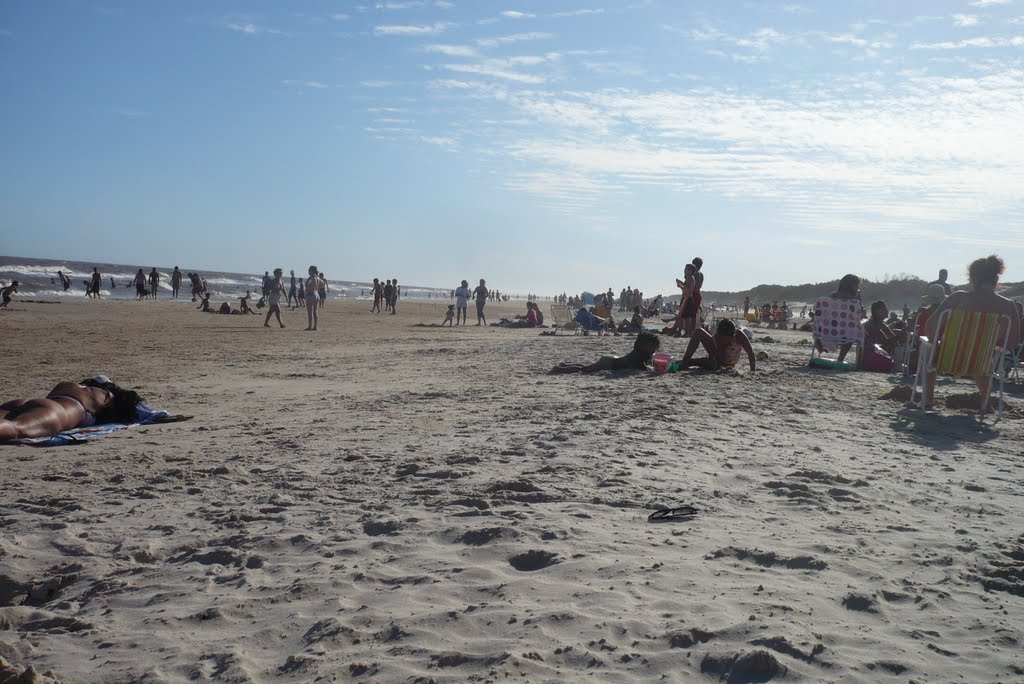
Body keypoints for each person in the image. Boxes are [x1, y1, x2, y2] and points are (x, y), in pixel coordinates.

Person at [920, 255, 1021, 411]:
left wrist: (938, 341)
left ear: (973, 278)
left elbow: (929, 329)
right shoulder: (1008, 305)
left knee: (929, 348)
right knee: (983, 355)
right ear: (995, 278)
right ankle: (986, 404)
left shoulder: (958, 298)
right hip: (982, 362)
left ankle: (928, 401)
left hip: (948, 359)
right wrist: (990, 344)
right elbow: (1012, 342)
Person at [0, 378, 144, 441]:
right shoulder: (107, 397)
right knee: (15, 429)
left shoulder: (72, 386)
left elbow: (101, 378)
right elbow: (144, 412)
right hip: (57, 412)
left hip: (28, 402)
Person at [549, 332, 661, 374]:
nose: (655, 350)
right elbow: (642, 367)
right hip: (608, 363)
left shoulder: (644, 353)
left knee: (585, 367)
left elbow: (648, 364)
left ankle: (564, 365)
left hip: (610, 361)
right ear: (644, 345)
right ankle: (559, 369)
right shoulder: (637, 354)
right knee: (583, 370)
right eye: (653, 347)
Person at [815, 273, 862, 364]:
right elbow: (857, 317)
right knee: (854, 329)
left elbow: (818, 315)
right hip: (846, 335)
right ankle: (840, 359)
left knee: (826, 324)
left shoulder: (826, 299)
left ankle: (820, 345)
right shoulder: (855, 302)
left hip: (825, 332)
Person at [679, 318, 756, 372]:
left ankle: (691, 362)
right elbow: (712, 353)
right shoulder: (717, 337)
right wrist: (712, 357)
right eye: (720, 338)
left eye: (725, 339)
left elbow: (750, 353)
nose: (722, 341)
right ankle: (685, 360)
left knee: (712, 364)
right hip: (717, 356)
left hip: (727, 363)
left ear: (732, 336)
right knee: (699, 331)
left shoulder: (740, 336)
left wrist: (752, 371)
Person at [861, 301, 903, 372]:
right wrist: (900, 335)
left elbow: (890, 336)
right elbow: (883, 342)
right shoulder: (873, 324)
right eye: (884, 309)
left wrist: (899, 335)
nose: (887, 311)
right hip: (872, 355)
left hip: (874, 351)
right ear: (877, 312)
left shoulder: (880, 323)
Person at [305, 266, 323, 331]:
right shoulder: (318, 278)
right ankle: (315, 326)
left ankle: (310, 326)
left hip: (311, 294)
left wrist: (308, 286)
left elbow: (306, 284)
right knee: (315, 311)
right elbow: (322, 283)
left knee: (310, 312)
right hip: (316, 294)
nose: (308, 271)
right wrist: (317, 288)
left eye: (309, 270)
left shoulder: (312, 278)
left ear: (312, 271)